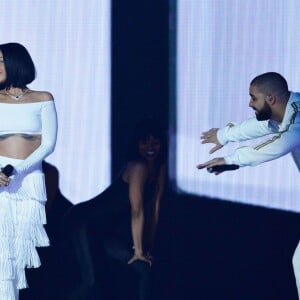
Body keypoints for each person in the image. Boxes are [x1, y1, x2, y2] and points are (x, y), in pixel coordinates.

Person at [196, 72, 300, 298]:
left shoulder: (297, 118)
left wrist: (232, 159)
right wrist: (225, 135)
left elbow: (280, 143)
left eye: (253, 98)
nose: (249, 103)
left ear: (271, 99)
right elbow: (262, 127)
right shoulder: (284, 115)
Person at [64, 117, 167, 300]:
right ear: (137, 144)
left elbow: (154, 211)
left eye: (155, 142)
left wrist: (146, 249)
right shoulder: (138, 167)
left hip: (104, 229)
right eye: (145, 142)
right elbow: (137, 210)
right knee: (92, 283)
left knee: (143, 269)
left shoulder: (159, 169)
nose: (150, 148)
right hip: (84, 223)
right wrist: (138, 251)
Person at [0, 42, 58, 299]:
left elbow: (48, 143)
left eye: (0, 60)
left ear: (15, 62)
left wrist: (16, 169)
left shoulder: (43, 98)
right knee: (2, 253)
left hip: (28, 180)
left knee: (17, 256)